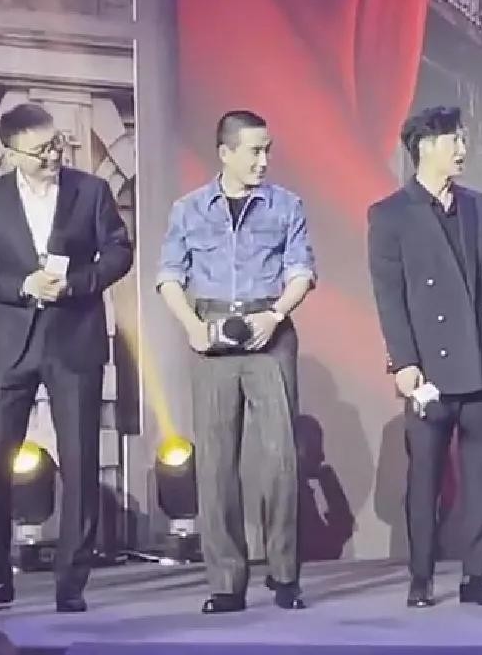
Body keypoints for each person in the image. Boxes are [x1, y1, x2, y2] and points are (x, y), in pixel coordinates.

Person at [0, 103, 133, 613]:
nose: (54, 156)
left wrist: (76, 284)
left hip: (73, 341)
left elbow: (118, 251)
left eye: (56, 145)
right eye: (40, 150)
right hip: (10, 345)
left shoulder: (91, 191)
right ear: (12, 154)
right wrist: (22, 285)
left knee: (79, 463)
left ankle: (70, 584)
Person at [367, 105, 482, 609]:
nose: (463, 150)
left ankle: (476, 576)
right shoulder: (390, 214)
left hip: (480, 361)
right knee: (424, 479)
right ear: (425, 147)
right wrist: (403, 362)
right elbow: (389, 297)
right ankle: (421, 577)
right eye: (454, 141)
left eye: (464, 140)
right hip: (428, 371)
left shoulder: (477, 206)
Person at [155, 110, 316, 613]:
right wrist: (192, 326)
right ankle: (225, 582)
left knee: (280, 460)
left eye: (268, 150)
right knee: (216, 463)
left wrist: (275, 314)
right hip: (211, 332)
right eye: (254, 151)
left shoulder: (286, 205)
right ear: (225, 153)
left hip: (271, 331)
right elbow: (168, 276)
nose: (263, 160)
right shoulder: (188, 209)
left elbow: (302, 271)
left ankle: (285, 575)